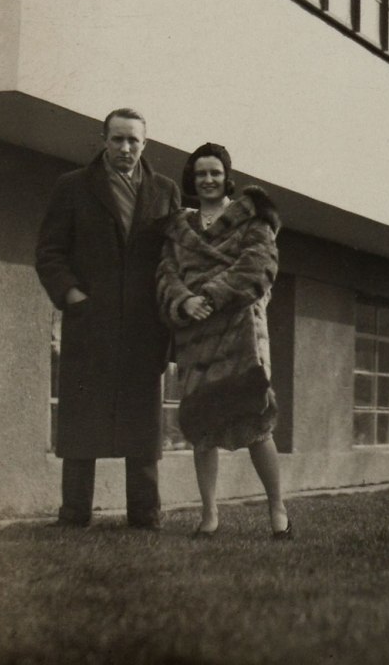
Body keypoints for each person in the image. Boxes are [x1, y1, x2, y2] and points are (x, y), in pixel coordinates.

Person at [35, 108, 180, 529]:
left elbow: (174, 258)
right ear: (103, 140)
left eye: (134, 140)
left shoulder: (164, 191)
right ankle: (74, 512)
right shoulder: (73, 187)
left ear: (145, 144)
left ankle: (145, 514)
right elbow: (50, 252)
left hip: (143, 328)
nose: (125, 148)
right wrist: (73, 297)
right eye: (117, 139)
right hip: (89, 324)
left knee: (142, 423)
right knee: (82, 419)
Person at [156, 142, 291, 539]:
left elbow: (259, 265)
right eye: (201, 174)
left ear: (227, 176)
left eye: (215, 172)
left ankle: (277, 508)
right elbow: (166, 273)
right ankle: (210, 515)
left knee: (257, 422)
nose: (208, 180)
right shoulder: (180, 227)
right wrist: (185, 301)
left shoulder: (252, 220)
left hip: (241, 331)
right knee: (201, 426)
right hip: (197, 334)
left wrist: (212, 296)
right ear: (192, 180)